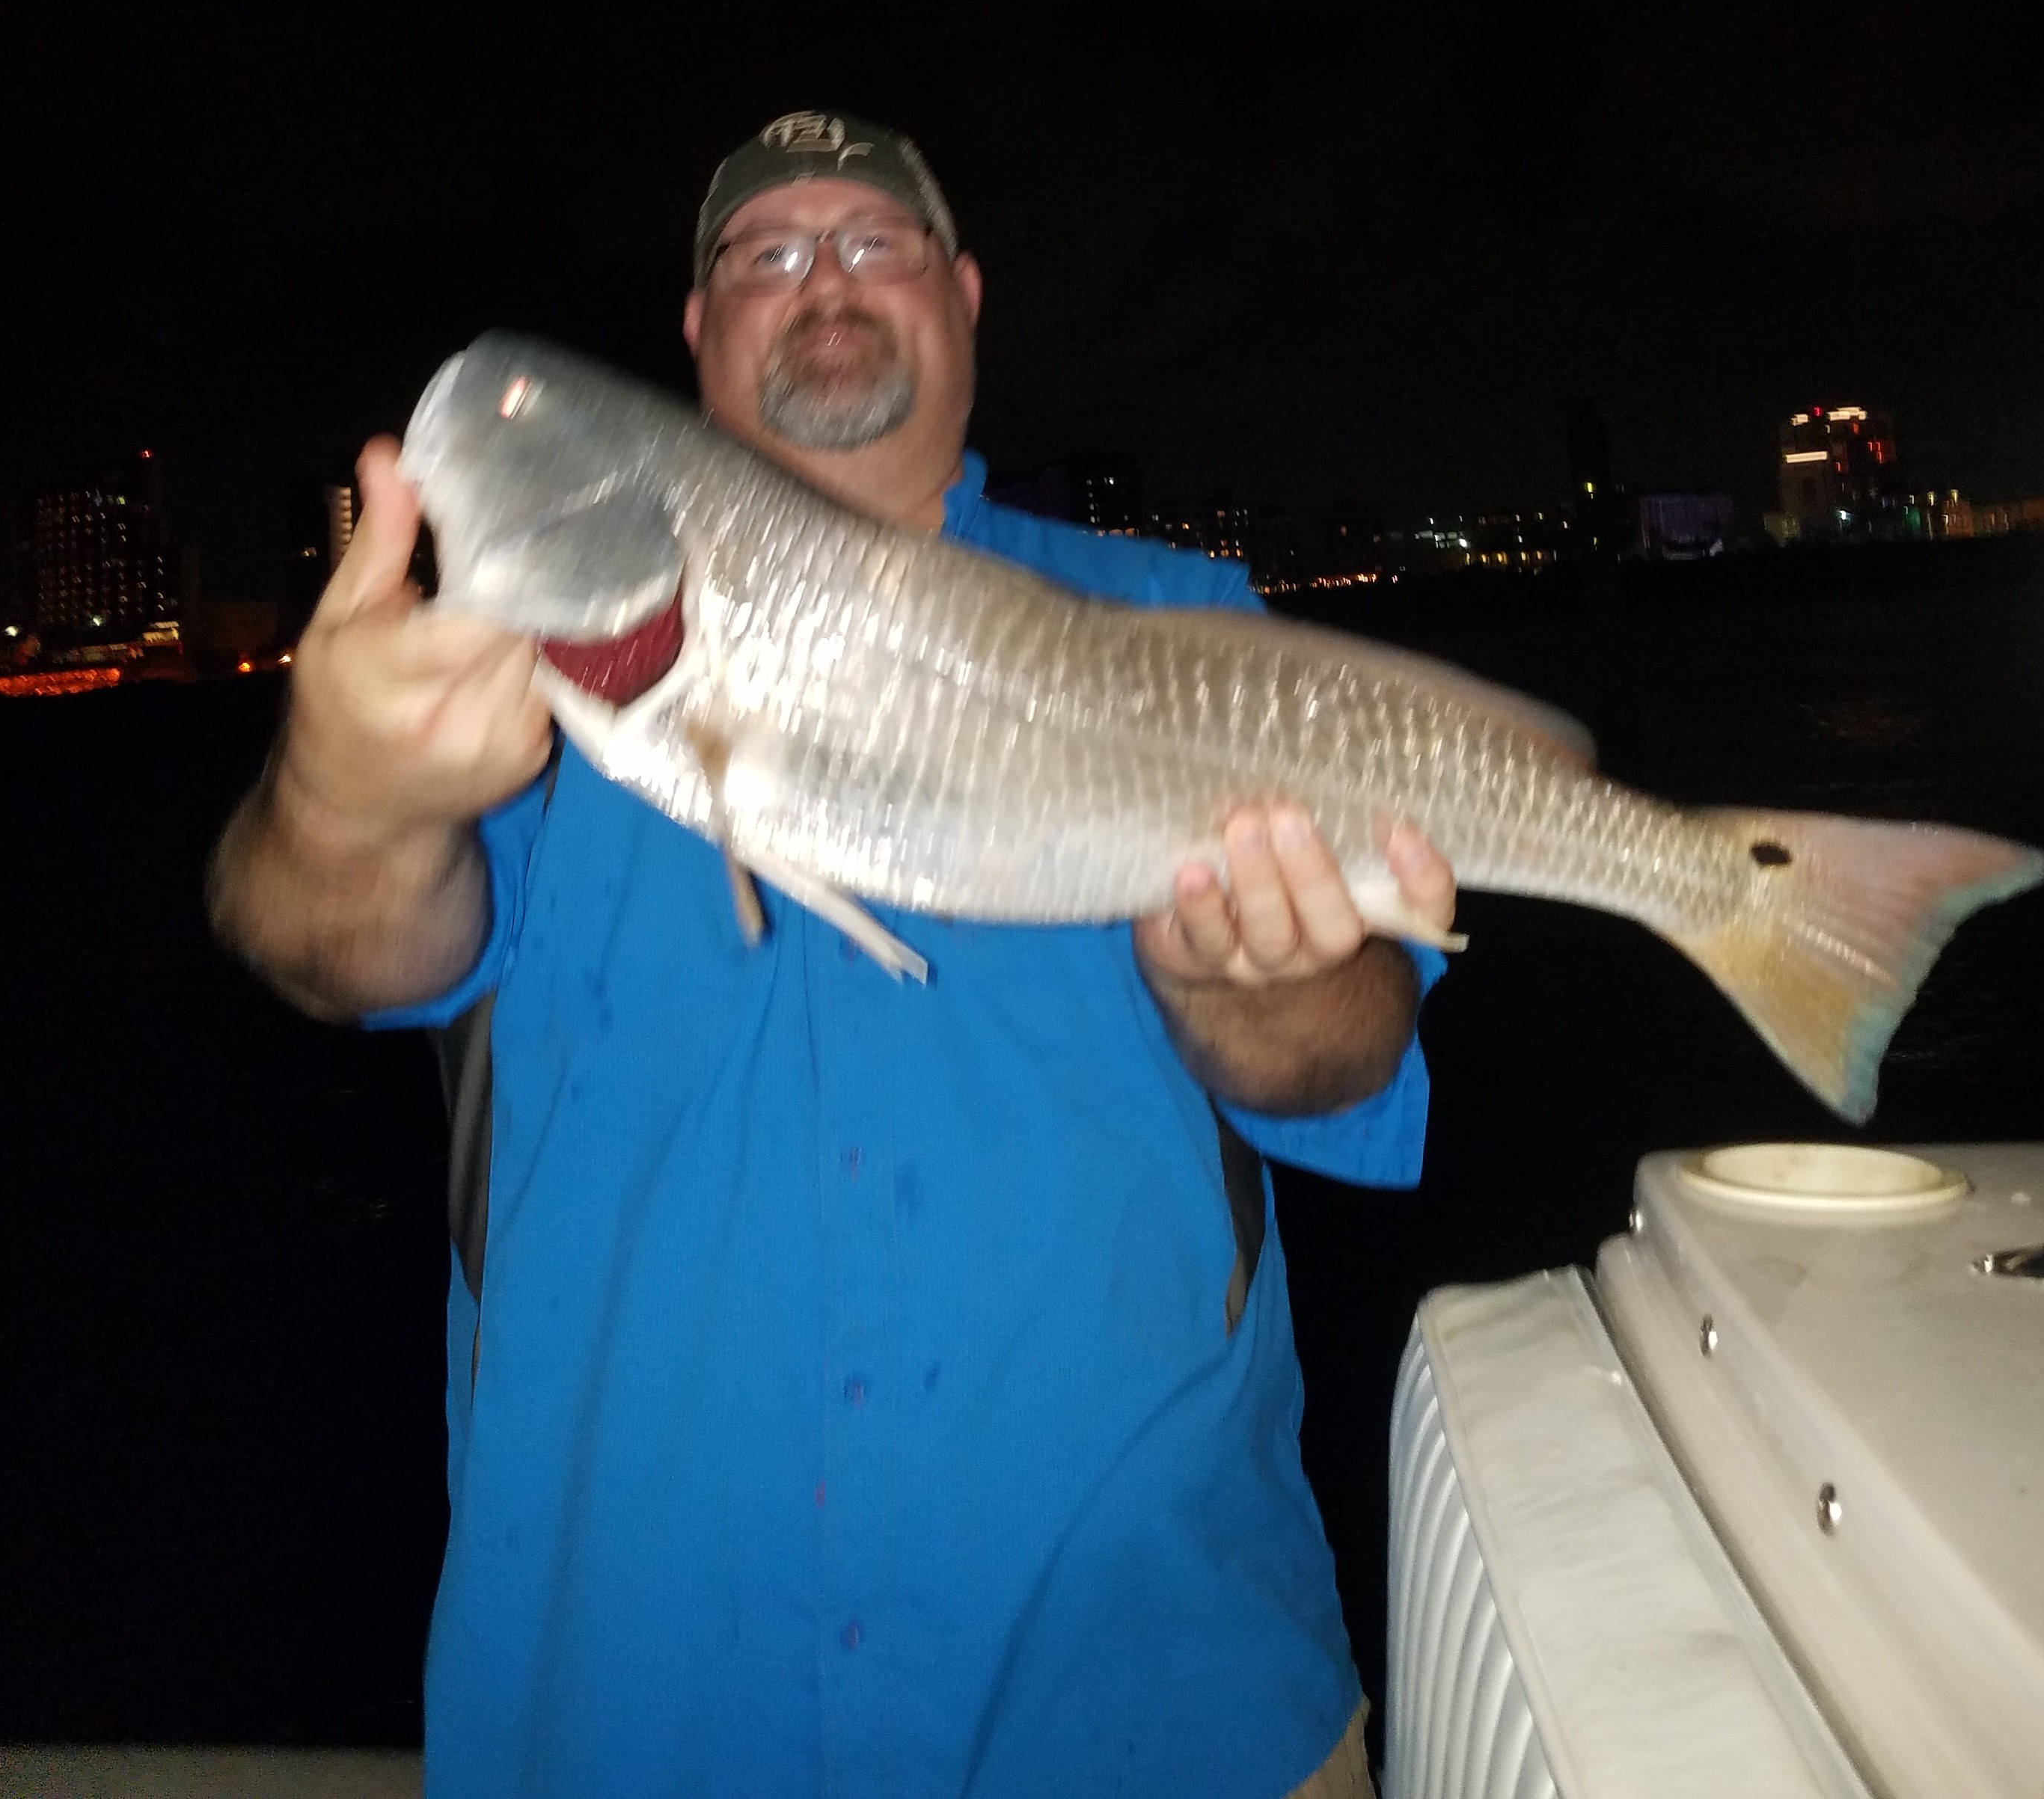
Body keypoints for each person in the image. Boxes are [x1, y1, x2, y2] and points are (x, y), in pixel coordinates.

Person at [210, 109, 1457, 1799]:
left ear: (960, 294)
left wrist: (1276, 983)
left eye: (872, 241)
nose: (822, 282)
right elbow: (318, 944)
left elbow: (1353, 1052)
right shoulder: (524, 682)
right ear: (697, 334)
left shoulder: (1188, 628)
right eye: (764, 255)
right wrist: (346, 797)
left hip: (1162, 1705)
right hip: (627, 1720)